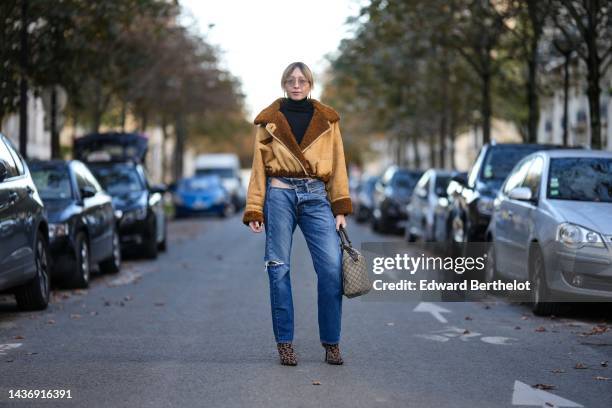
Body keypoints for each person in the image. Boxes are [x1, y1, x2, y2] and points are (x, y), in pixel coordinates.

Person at [242, 61, 353, 366]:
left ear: (310, 84)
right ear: (284, 83)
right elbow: (257, 167)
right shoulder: (269, 120)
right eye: (291, 80)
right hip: (279, 194)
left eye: (302, 80)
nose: (296, 84)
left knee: (331, 269)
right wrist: (255, 207)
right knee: (279, 268)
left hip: (317, 196)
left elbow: (338, 162)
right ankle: (285, 343)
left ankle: (331, 342)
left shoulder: (328, 120)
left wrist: (339, 206)